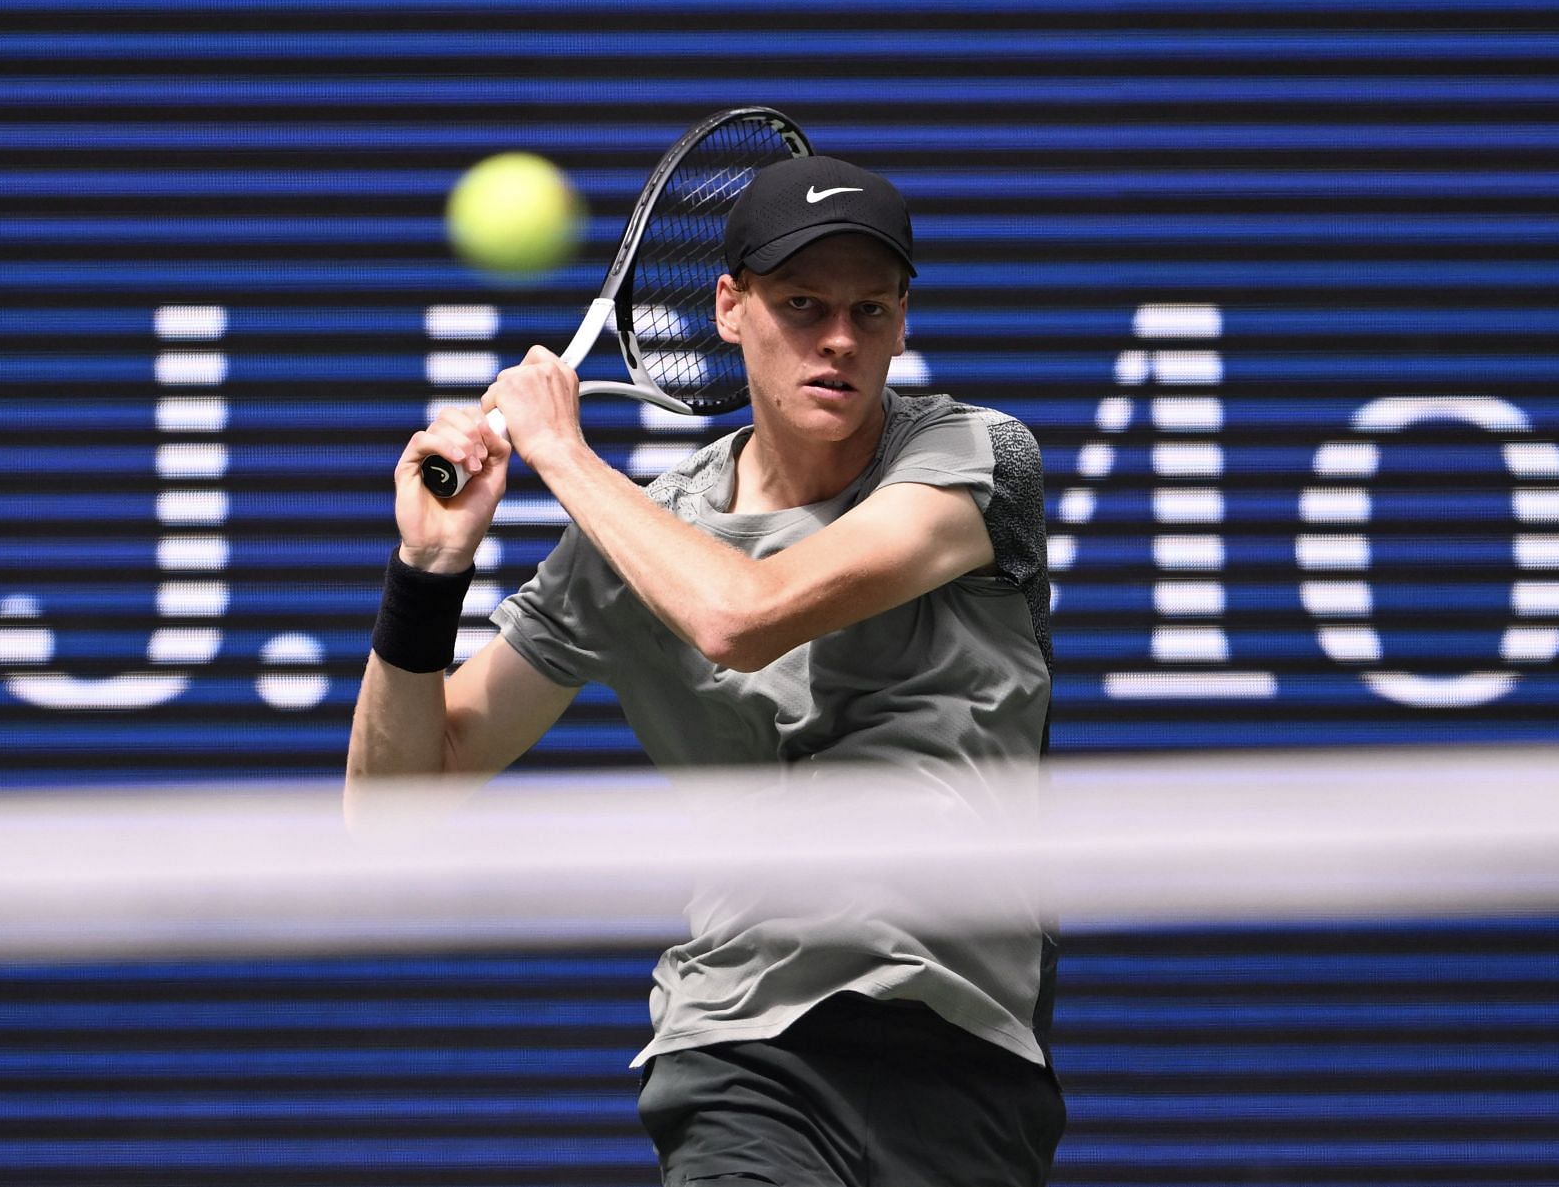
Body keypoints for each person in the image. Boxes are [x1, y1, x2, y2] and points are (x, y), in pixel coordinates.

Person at [347, 154, 1062, 1186]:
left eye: (871, 310)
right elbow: (394, 807)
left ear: (904, 322)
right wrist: (427, 571)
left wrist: (562, 453)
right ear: (730, 308)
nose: (838, 340)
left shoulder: (974, 462)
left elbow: (743, 616)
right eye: (802, 304)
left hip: (964, 1053)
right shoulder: (636, 544)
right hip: (743, 1056)